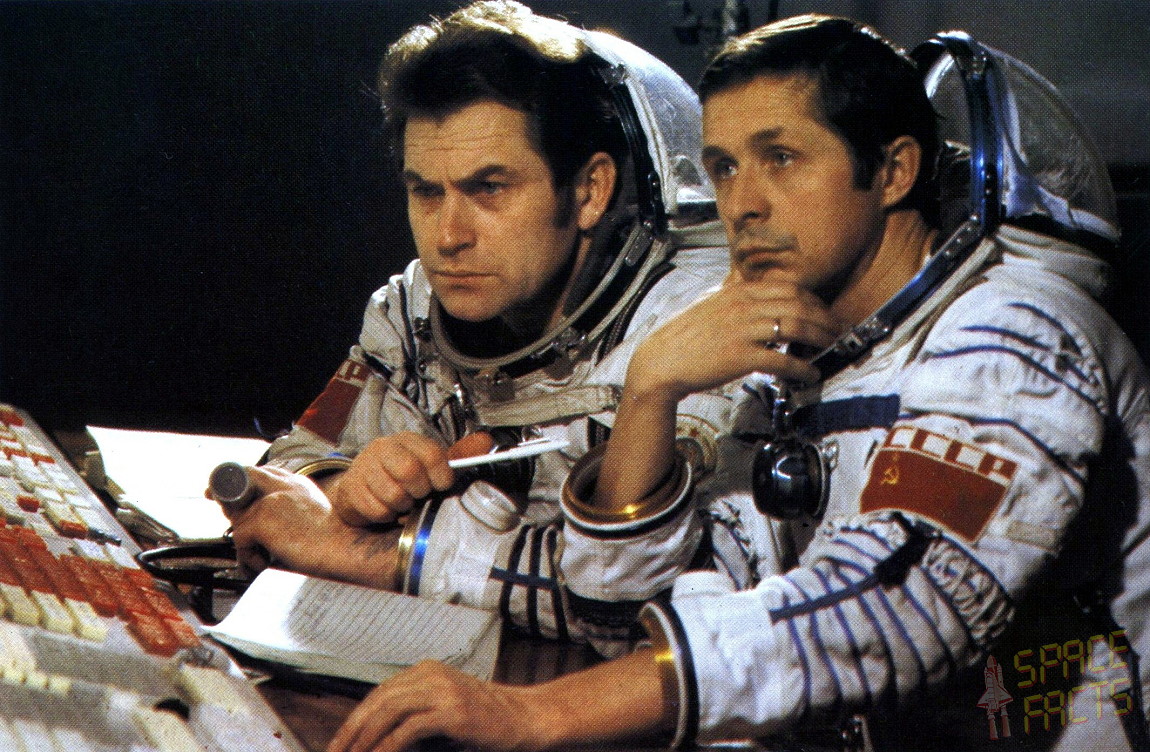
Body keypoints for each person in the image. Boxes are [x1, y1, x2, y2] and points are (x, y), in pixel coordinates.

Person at [324, 14, 1150, 752]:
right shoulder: (803, 362)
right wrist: (651, 390)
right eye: (723, 166)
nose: (743, 205)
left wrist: (536, 714)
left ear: (894, 171)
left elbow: (898, 606)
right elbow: (624, 613)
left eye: (781, 158)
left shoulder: (1015, 330)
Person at [221, 0, 734, 644]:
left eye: (489, 189)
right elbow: (294, 460)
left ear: (589, 191)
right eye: (426, 191)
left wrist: (368, 551)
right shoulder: (411, 311)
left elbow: (659, 597)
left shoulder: (690, 329)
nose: (448, 237)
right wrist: (345, 488)